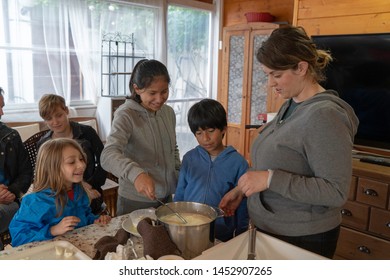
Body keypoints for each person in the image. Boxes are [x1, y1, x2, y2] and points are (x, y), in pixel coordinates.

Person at [219, 26, 359, 258]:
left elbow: (335, 191)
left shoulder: (324, 116)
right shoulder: (290, 105)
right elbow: (284, 161)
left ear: (301, 68)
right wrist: (243, 189)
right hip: (273, 229)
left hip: (303, 237)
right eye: (268, 75)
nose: (271, 83)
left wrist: (270, 179)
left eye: (276, 75)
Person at [101, 59, 180, 215]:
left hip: (166, 199)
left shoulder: (168, 113)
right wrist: (136, 174)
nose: (159, 99)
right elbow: (108, 155)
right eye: (152, 93)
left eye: (164, 91)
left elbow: (173, 149)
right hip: (135, 201)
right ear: (137, 89)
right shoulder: (126, 115)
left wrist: (178, 174)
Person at [9, 138, 111, 247]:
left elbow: (84, 217)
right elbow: (18, 237)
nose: (81, 165)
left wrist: (95, 220)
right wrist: (52, 230)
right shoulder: (36, 202)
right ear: (52, 168)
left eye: (81, 159)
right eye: (72, 162)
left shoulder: (79, 190)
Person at [174, 98, 249, 241]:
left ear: (223, 129)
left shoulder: (238, 163)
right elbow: (180, 195)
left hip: (221, 232)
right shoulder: (189, 158)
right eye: (199, 133)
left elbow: (243, 205)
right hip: (188, 228)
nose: (205, 138)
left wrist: (242, 234)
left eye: (210, 130)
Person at [37, 94, 107, 214]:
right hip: (59, 195)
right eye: (49, 118)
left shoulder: (87, 132)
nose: (55, 122)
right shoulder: (44, 144)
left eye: (59, 115)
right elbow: (45, 176)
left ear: (66, 110)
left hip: (91, 187)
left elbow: (104, 161)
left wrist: (91, 185)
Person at [0, 87, 33, 250]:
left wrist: (12, 191)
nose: (1, 113)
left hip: (9, 201)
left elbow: (26, 172)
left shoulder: (11, 136)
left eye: (2, 106)